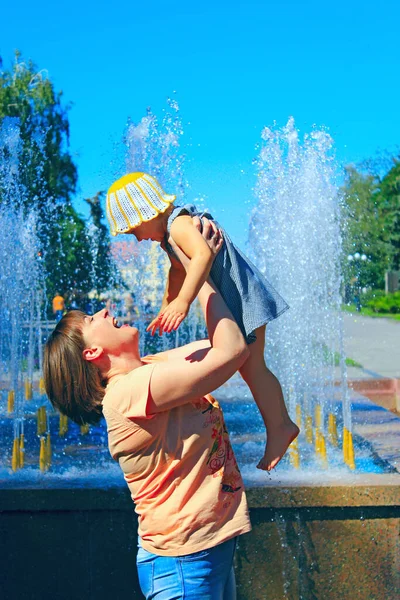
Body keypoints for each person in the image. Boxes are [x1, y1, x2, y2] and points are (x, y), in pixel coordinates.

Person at [43, 223, 251, 599]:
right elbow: (231, 353)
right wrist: (196, 265)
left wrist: (201, 258)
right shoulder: (129, 392)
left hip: (207, 551)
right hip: (184, 565)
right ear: (92, 354)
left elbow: (233, 337)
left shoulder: (149, 368)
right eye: (92, 320)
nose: (105, 311)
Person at [106, 172, 299, 470]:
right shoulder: (169, 238)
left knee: (254, 368)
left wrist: (183, 302)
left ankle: (280, 427)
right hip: (236, 298)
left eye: (133, 230)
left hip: (242, 297)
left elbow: (202, 254)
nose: (137, 238)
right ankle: (279, 427)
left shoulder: (178, 224)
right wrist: (166, 305)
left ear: (146, 212)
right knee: (252, 368)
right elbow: (177, 271)